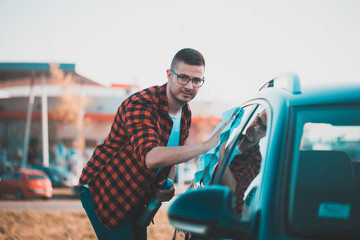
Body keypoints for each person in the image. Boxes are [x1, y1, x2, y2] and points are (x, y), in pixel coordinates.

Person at [78, 48, 227, 240]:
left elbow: (171, 156)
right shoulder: (142, 104)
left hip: (138, 195)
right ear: (169, 75)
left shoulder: (186, 113)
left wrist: (168, 184)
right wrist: (207, 145)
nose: (189, 86)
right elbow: (152, 157)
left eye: (196, 80)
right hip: (105, 189)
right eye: (183, 77)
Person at [220, 110, 267, 216]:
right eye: (258, 121)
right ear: (255, 116)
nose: (256, 128)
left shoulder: (255, 160)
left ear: (267, 134)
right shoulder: (234, 137)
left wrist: (221, 152)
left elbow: (231, 187)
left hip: (227, 217)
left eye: (263, 129)